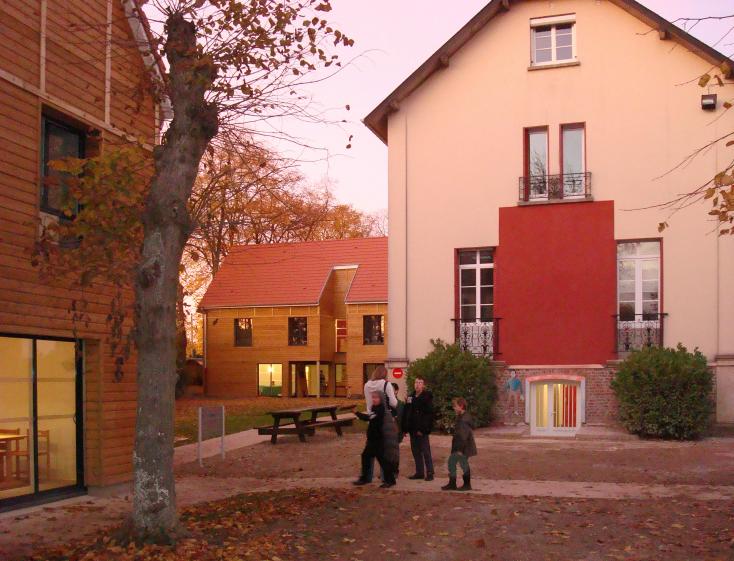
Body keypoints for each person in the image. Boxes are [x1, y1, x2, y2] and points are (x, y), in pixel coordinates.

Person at [353, 392, 397, 488]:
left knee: (383, 460)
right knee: (366, 456)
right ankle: (365, 478)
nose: (374, 399)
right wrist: (357, 413)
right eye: (373, 397)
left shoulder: (380, 410)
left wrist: (357, 413)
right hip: (372, 440)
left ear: (381, 399)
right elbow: (369, 418)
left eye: (376, 398)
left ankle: (390, 480)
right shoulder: (375, 408)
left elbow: (369, 418)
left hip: (377, 440)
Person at [402, 376, 435, 481]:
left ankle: (430, 472)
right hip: (412, 429)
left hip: (422, 430)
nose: (417, 384)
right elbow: (407, 413)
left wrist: (423, 429)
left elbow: (429, 415)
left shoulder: (427, 397)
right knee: (415, 451)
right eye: (416, 382)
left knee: (425, 451)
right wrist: (405, 428)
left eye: (420, 382)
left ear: (423, 385)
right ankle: (419, 472)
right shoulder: (411, 397)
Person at [442, 397, 477, 491]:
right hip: (460, 445)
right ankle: (454, 483)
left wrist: (460, 450)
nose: (454, 408)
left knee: (461, 464)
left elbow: (463, 437)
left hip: (463, 447)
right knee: (453, 463)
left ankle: (466, 484)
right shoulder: (462, 416)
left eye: (455, 406)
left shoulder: (463, 419)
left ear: (461, 406)